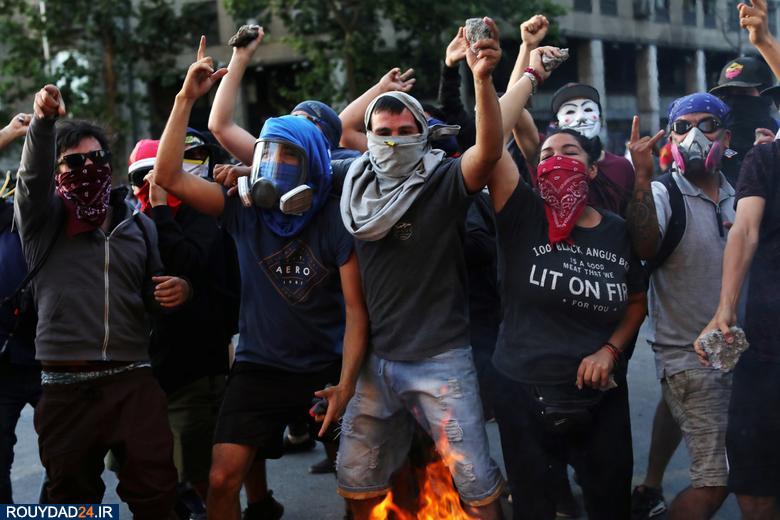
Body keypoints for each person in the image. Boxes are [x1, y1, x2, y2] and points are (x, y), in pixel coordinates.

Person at [152, 36, 368, 520]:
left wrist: (347, 385)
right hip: (260, 366)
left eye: (290, 156)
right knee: (221, 479)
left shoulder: (337, 218)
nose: (275, 166)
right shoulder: (243, 208)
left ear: (314, 161)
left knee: (358, 483)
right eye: (268, 153)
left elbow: (357, 312)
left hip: (327, 367)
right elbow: (167, 176)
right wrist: (185, 99)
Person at [334, 18, 506, 520]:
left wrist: (481, 79)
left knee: (476, 485)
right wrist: (379, 89)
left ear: (423, 136)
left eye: (405, 133)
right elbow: (338, 129)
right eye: (383, 133)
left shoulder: (443, 180)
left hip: (442, 360)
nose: (392, 142)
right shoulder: (353, 183)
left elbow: (488, 152)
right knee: (355, 481)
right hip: (377, 360)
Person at [14, 85, 191, 518]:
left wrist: (178, 291)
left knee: (157, 493)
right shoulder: (42, 221)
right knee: (72, 502)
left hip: (133, 380)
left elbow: (151, 294)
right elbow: (31, 180)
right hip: (65, 386)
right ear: (57, 171)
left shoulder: (139, 225)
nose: (89, 168)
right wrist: (43, 123)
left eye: (97, 159)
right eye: (75, 162)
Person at [488, 44, 647, 519]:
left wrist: (611, 350)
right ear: (535, 170)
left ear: (592, 168)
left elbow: (637, 301)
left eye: (570, 151)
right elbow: (491, 137)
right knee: (536, 508)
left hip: (601, 396)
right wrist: (529, 74)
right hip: (523, 390)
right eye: (547, 154)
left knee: (609, 505)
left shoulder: (616, 230)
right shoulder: (521, 214)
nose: (557, 158)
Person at [627, 93, 735, 520]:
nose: (694, 135)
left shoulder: (741, 193)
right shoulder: (662, 192)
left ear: (726, 138)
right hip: (689, 360)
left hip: (739, 356)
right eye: (682, 127)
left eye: (706, 125)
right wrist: (641, 177)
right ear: (670, 138)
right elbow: (643, 245)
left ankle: (649, 486)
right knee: (717, 481)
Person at [696, 1, 780, 518]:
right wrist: (725, 309)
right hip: (768, 344)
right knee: (752, 482)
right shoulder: (764, 158)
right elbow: (744, 230)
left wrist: (766, 43)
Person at [127, 136, 238, 514]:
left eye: (157, 176)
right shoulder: (130, 223)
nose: (149, 186)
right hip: (142, 372)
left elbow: (198, 272)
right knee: (142, 474)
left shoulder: (202, 216)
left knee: (203, 473)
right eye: (141, 178)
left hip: (193, 372)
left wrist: (162, 209)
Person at [0, 113, 39, 505]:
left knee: (72, 459)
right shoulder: (3, 220)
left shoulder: (59, 216)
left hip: (58, 359)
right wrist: (10, 133)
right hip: (5, 362)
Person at [709, 55, 778, 185]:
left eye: (743, 93)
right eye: (728, 95)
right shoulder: (713, 137)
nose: (734, 102)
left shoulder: (778, 135)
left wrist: (774, 154)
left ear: (766, 96)